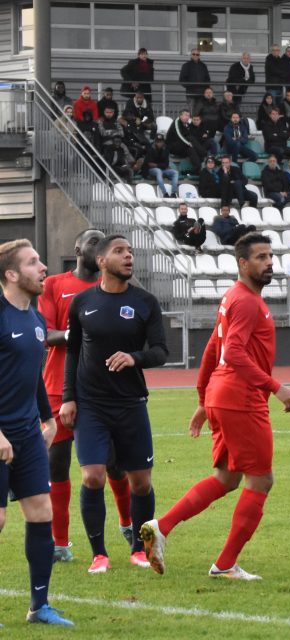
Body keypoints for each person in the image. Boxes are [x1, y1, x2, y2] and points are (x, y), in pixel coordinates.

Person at [140, 234, 290, 581]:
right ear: (243, 264)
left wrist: (203, 399)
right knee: (261, 480)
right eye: (261, 257)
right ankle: (225, 564)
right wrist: (276, 387)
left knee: (227, 478)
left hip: (222, 395)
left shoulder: (233, 298)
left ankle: (161, 526)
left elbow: (215, 347)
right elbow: (236, 353)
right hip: (241, 398)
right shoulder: (246, 302)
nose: (269, 262)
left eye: (271, 256)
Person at [61, 235, 168, 573]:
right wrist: (68, 398)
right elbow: (73, 352)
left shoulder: (146, 302)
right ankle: (99, 554)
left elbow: (161, 352)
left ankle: (139, 548)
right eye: (120, 252)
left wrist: (134, 357)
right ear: (102, 261)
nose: (128, 257)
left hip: (131, 404)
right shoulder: (81, 303)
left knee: (141, 483)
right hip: (91, 405)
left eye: (131, 252)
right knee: (93, 477)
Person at [39, 230, 138, 565]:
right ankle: (60, 542)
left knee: (112, 463)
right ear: (78, 248)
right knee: (58, 463)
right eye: (94, 242)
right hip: (58, 386)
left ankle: (127, 524)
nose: (100, 249)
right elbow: (45, 333)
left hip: (102, 389)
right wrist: (75, 333)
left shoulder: (115, 290)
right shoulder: (55, 285)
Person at [0, 239, 76, 626]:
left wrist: (47, 419)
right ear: (11, 275)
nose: (43, 267)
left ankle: (39, 606)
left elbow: (30, 378)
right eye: (33, 263)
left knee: (41, 512)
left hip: (27, 432)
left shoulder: (33, 317)